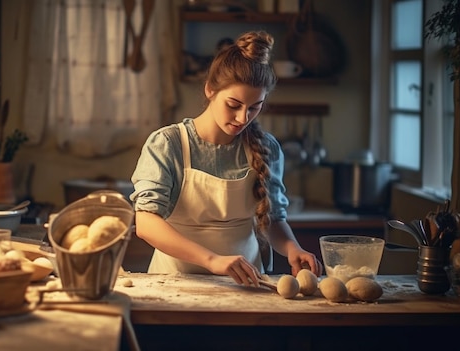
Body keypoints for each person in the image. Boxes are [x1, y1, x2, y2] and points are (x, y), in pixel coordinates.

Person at [129, 30, 323, 287]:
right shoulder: (168, 144)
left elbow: (273, 219)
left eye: (255, 107)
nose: (243, 118)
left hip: (247, 280)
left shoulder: (267, 148)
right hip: (175, 281)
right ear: (210, 89)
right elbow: (146, 222)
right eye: (233, 105)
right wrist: (212, 260)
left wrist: (292, 249)